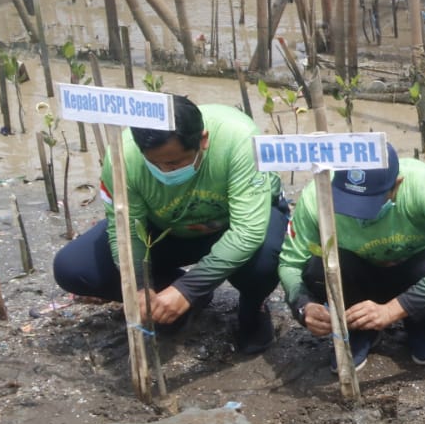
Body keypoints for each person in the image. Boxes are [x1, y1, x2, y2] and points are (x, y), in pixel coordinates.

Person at [52, 95, 284, 354]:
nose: (165, 170)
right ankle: (170, 296)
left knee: (266, 258)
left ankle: (253, 308)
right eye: (154, 163)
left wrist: (188, 289)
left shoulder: (240, 139)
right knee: (73, 268)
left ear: (203, 140)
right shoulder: (124, 154)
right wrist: (140, 286)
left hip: (228, 228)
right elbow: (128, 231)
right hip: (164, 233)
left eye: (175, 162)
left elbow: (247, 231)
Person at [278, 144, 425, 369]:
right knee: (316, 267)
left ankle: (420, 326)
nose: (358, 214)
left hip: (411, 273)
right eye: (348, 201)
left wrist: (392, 310)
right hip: (357, 277)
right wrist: (303, 306)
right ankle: (361, 329)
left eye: (370, 202)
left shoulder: (424, 184)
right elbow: (290, 263)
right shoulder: (318, 196)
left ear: (396, 186)